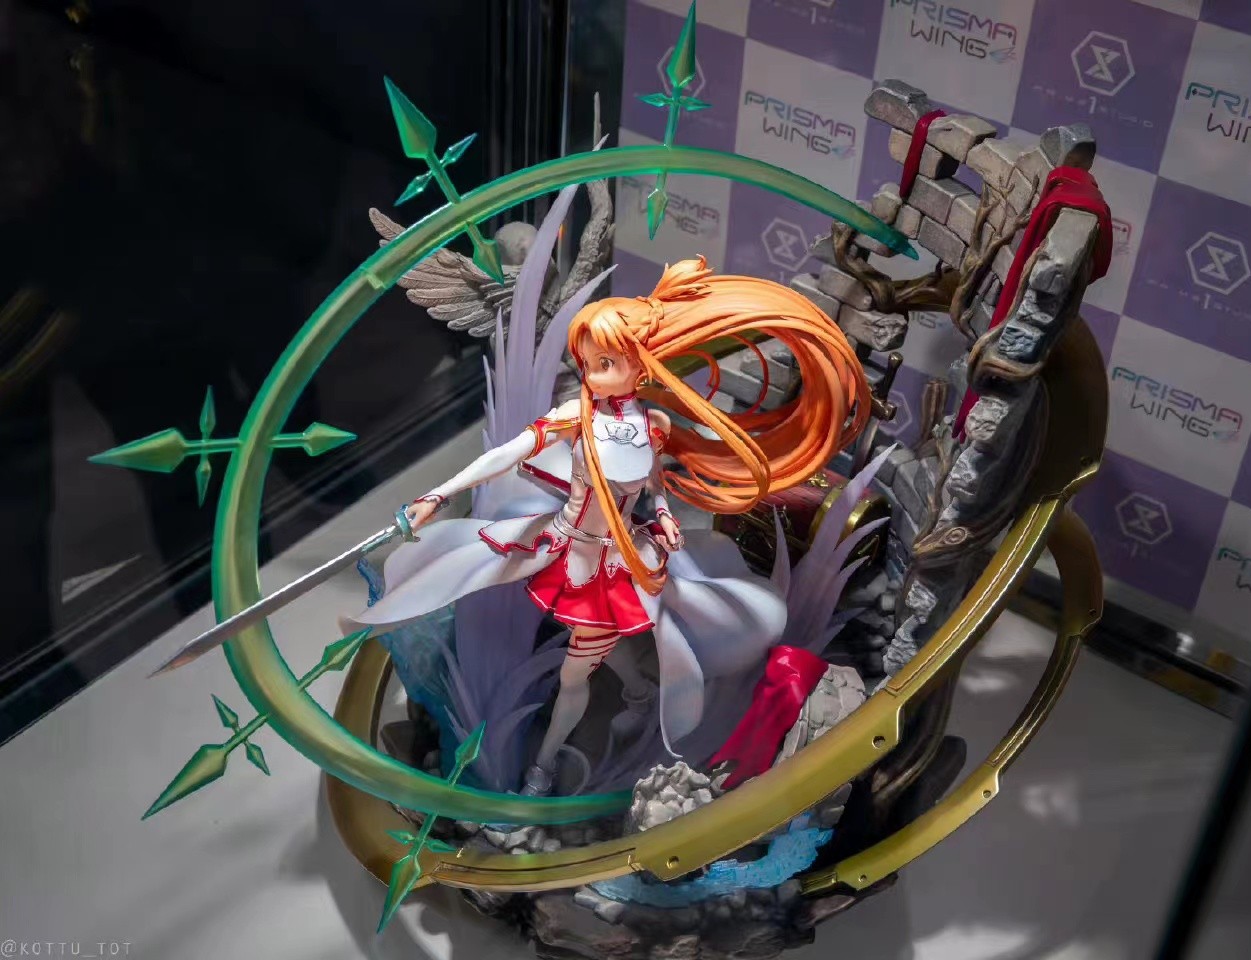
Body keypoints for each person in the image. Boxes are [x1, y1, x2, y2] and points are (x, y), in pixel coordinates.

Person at [341, 256, 871, 794]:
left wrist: (663, 517)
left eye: (605, 363)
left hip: (616, 564)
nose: (591, 374)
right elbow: (506, 454)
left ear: (639, 366)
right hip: (560, 545)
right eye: (588, 362)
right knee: (472, 574)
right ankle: (627, 693)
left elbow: (654, 487)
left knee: (576, 671)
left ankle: (546, 762)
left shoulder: (653, 426)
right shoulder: (577, 415)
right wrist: (437, 494)